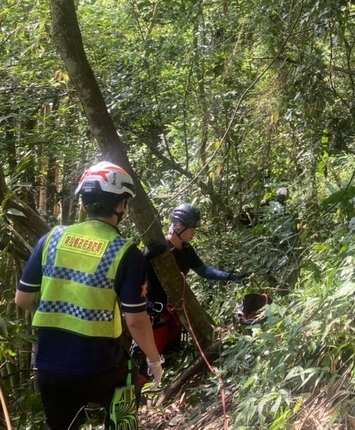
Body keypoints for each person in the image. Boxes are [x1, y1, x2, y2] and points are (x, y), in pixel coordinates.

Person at [15, 161, 163, 430]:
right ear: (121, 206)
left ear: (83, 203)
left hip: (50, 366)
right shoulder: (124, 252)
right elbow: (135, 320)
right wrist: (154, 360)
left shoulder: (51, 239)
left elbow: (22, 300)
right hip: (101, 367)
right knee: (128, 385)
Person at [143, 203, 244, 319]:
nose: (194, 233)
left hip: (174, 313)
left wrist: (229, 276)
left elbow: (203, 270)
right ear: (179, 227)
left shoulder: (187, 250)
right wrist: (143, 255)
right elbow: (134, 271)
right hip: (153, 314)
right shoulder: (158, 248)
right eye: (192, 230)